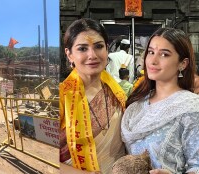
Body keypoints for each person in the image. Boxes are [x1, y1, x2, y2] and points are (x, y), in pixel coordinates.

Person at [121, 28, 199, 173]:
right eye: (151, 52)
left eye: (164, 54)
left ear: (183, 63)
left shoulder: (191, 108)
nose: (153, 60)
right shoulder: (136, 106)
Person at [59, 18, 127, 174]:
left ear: (107, 49)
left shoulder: (117, 91)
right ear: (69, 54)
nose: (92, 55)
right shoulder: (61, 97)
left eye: (98, 46)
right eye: (82, 49)